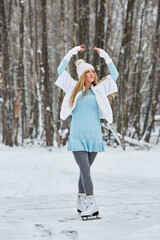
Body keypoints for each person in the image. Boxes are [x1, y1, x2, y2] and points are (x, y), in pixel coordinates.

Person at [55, 45, 119, 220]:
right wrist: (72, 52)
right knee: (86, 171)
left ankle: (80, 200)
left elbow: (115, 75)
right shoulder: (73, 87)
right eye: (88, 71)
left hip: (94, 137)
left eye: (93, 71)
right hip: (78, 137)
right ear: (83, 74)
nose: (92, 73)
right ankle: (92, 204)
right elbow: (60, 70)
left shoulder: (100, 89)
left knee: (85, 171)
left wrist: (106, 56)